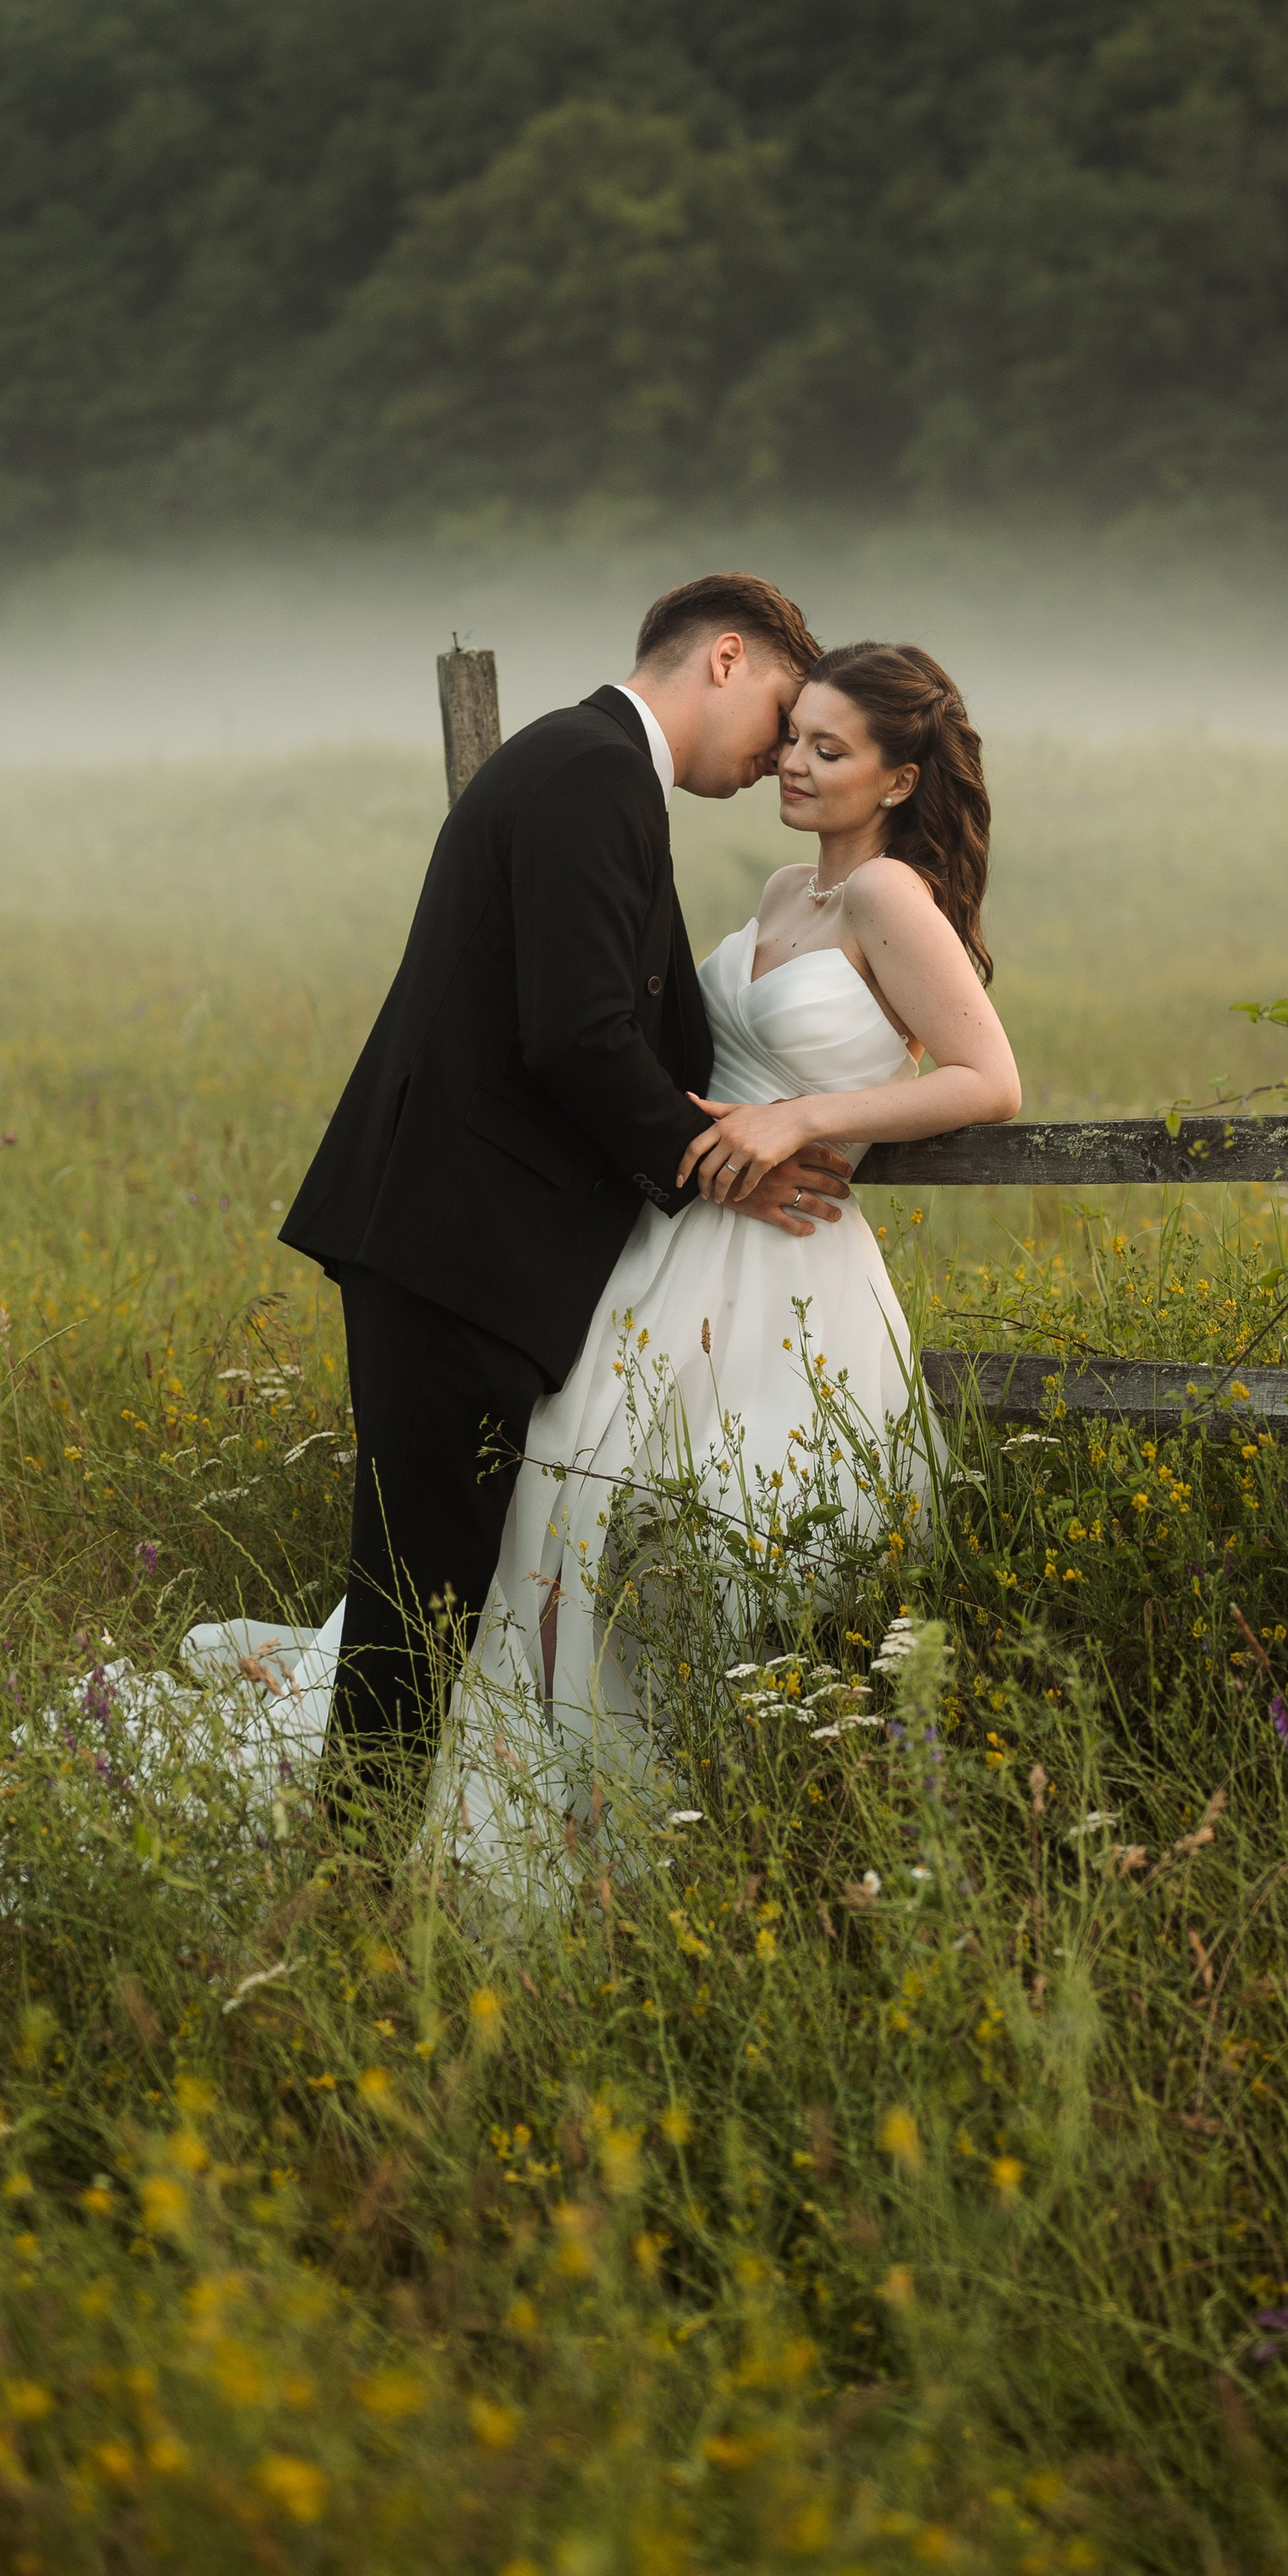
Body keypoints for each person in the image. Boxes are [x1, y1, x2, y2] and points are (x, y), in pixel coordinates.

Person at [439, 641, 1020, 1887]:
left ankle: (714, 1806)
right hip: (672, 1247)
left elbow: (990, 1079)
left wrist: (805, 1121)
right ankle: (566, 1793)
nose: (792, 766)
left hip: (787, 1266)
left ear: (901, 779)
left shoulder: (888, 901)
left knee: (711, 1536)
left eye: (830, 750)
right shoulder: (777, 892)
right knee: (568, 1502)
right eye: (793, 735)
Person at [275, 574, 850, 1797]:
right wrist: (721, 1167)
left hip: (453, 1241)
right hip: (458, 1249)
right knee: (414, 1612)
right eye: (785, 715)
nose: (779, 757)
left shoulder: (584, 764)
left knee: (429, 1603)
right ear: (727, 659)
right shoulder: (594, 774)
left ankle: (361, 1870)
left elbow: (611, 1030)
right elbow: (578, 1036)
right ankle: (351, 1885)